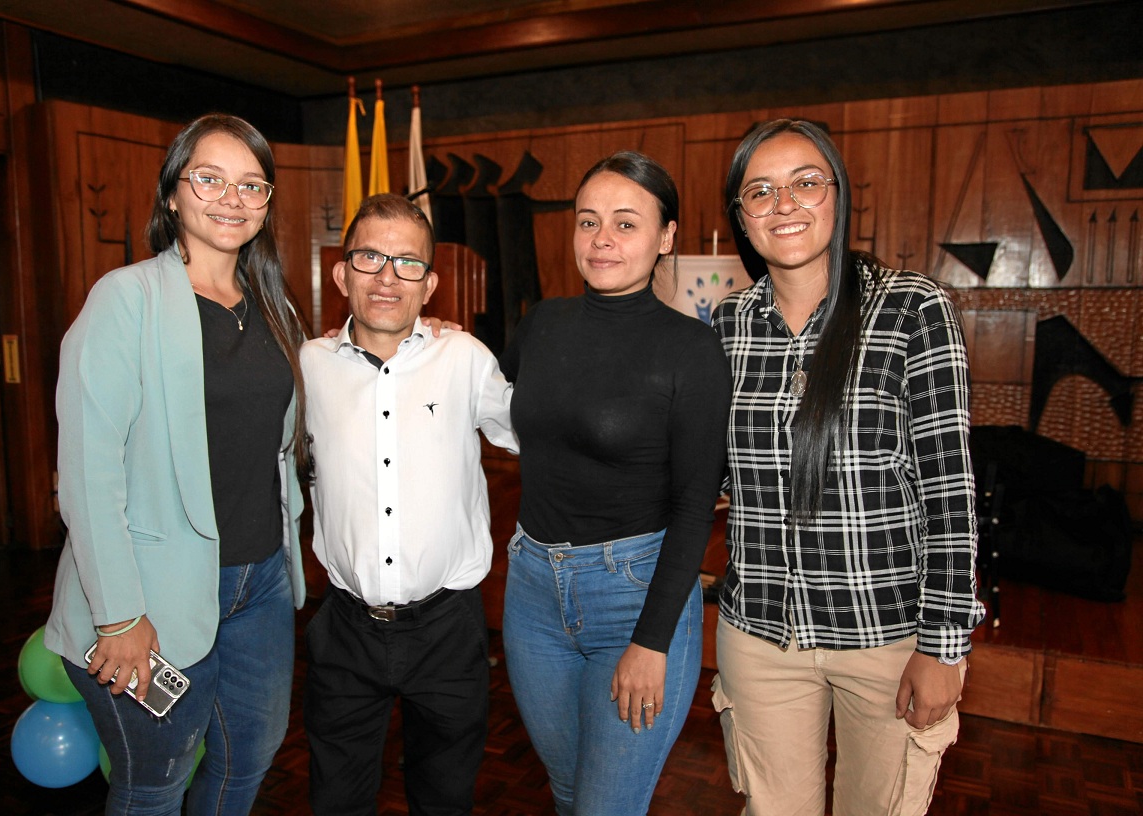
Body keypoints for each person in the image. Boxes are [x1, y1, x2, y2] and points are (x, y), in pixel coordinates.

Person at [709, 118, 986, 816]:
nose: (784, 205)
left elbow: (951, 491)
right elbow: (711, 473)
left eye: (806, 183)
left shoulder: (912, 308)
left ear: (837, 195)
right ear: (741, 217)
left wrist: (944, 645)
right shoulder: (727, 324)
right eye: (760, 191)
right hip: (761, 635)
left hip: (886, 637)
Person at [44, 114, 309, 815]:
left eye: (251, 185)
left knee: (248, 760)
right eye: (210, 179)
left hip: (261, 584)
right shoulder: (125, 300)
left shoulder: (274, 308)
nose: (232, 198)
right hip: (150, 596)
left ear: (268, 201)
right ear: (172, 195)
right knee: (155, 784)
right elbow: (88, 470)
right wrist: (118, 617)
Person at [499, 152, 731, 816]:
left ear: (666, 237)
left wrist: (652, 640)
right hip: (533, 594)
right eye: (589, 221)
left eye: (626, 224)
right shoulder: (544, 323)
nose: (603, 239)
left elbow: (695, 505)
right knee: (571, 793)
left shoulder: (691, 349)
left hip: (633, 597)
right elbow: (484, 394)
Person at [300, 193, 517, 816]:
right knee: (336, 799)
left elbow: (538, 432)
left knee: (444, 799)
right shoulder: (306, 367)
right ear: (342, 274)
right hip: (344, 630)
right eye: (369, 257)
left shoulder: (466, 359)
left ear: (431, 283)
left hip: (449, 631)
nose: (388, 277)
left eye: (407, 263)